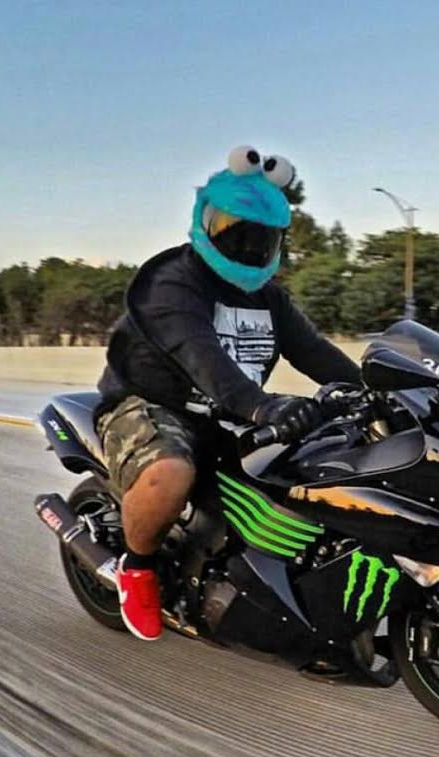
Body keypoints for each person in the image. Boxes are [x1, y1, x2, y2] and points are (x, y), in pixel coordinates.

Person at [96, 146, 360, 641]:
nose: (245, 245)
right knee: (171, 473)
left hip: (229, 410)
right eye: (231, 231)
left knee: (318, 463)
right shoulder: (172, 283)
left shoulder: (269, 297)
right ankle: (136, 568)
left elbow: (315, 352)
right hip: (153, 403)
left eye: (260, 237)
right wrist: (263, 405)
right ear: (205, 221)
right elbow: (201, 357)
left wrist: (378, 390)